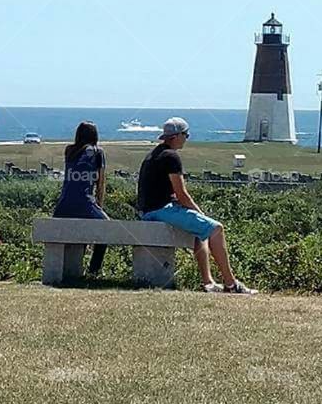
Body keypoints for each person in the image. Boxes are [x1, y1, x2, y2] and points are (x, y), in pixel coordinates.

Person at [137, 117, 257, 294]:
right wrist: (199, 212)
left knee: (200, 232)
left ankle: (208, 282)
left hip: (148, 210)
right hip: (160, 211)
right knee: (216, 228)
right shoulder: (171, 157)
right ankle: (231, 284)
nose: (186, 138)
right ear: (176, 136)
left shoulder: (153, 155)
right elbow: (182, 194)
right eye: (186, 134)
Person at [53, 121, 109, 275]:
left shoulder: (69, 150)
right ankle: (93, 271)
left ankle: (70, 270)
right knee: (107, 228)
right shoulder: (98, 152)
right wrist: (99, 206)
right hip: (85, 201)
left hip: (62, 205)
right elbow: (101, 183)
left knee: (82, 227)